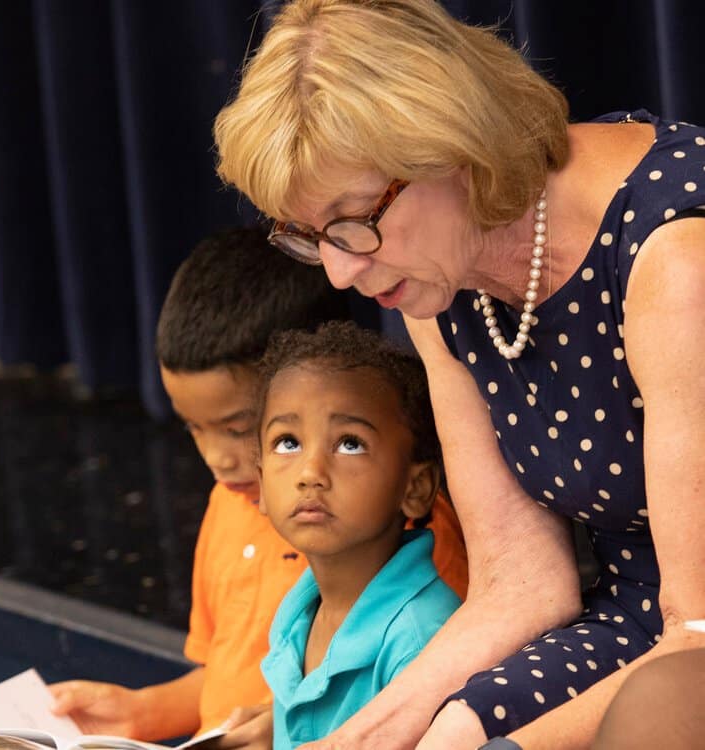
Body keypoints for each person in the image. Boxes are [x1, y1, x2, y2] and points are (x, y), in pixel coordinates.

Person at [212, 1, 705, 748]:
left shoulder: (673, 259)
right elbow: (522, 584)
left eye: (353, 219)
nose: (343, 271)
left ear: (454, 150)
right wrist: (357, 736)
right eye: (314, 238)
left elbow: (695, 637)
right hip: (644, 619)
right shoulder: (435, 279)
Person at [49, 227, 469, 748]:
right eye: (193, 428)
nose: (218, 460)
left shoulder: (414, 549)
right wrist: (143, 712)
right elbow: (234, 676)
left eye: (238, 427)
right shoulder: (232, 512)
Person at [256, 320, 462, 749]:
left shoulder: (420, 639)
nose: (310, 473)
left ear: (415, 487)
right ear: (260, 485)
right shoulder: (295, 618)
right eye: (288, 442)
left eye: (350, 443)